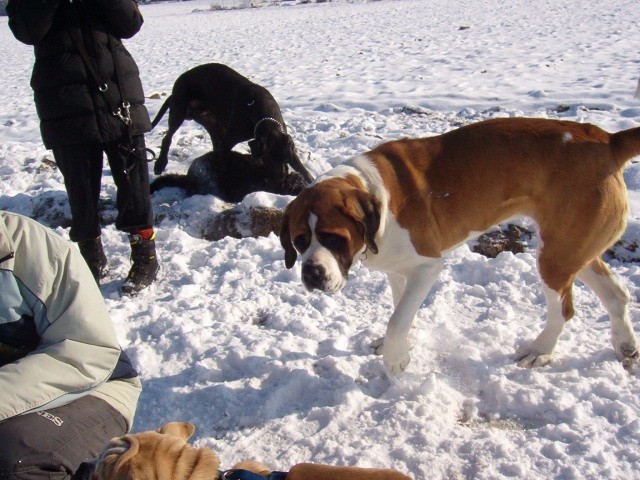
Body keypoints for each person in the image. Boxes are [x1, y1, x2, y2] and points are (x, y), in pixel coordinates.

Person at [6, 0, 159, 295]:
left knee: (135, 183)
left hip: (117, 93)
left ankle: (146, 256)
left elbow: (131, 23)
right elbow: (27, 31)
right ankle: (91, 255)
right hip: (64, 101)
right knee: (80, 187)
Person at [0, 210, 142, 480]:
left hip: (95, 386)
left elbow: (87, 353)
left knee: (15, 462)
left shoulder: (30, 249)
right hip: (14, 395)